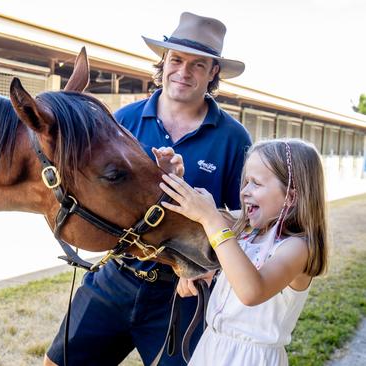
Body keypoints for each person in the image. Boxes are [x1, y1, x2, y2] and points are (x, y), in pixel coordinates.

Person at [45, 12, 252, 366]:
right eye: (177, 60)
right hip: (116, 276)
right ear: (164, 61)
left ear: (213, 72)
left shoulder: (234, 139)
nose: (183, 72)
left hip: (184, 290)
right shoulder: (122, 120)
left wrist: (213, 268)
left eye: (197, 65)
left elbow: (246, 221)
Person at [160, 138, 328, 365]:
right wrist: (172, 181)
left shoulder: (298, 248)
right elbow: (196, 218)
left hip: (251, 359)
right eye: (245, 181)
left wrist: (211, 218)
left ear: (290, 196)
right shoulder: (247, 229)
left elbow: (252, 291)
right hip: (211, 348)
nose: (244, 191)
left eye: (256, 183)